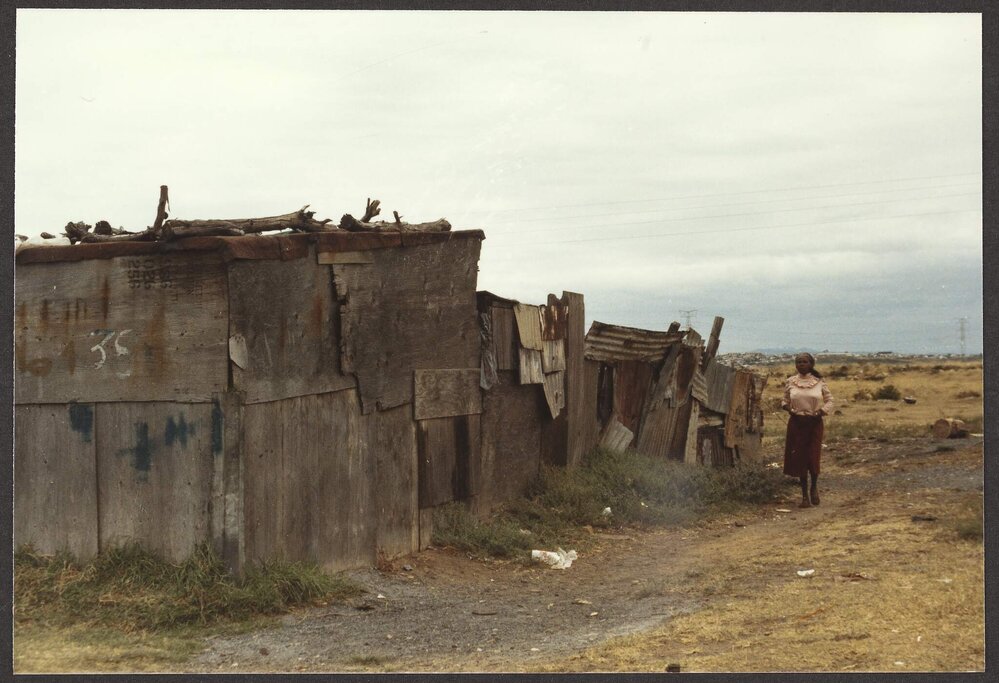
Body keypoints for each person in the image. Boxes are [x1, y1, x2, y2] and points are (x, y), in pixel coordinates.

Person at [781, 352, 833, 508]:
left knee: (813, 456)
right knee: (800, 458)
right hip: (797, 423)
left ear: (811, 364)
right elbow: (784, 400)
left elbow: (830, 401)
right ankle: (804, 496)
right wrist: (789, 409)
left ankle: (814, 487)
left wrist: (821, 412)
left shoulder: (819, 382)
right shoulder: (791, 381)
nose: (801, 364)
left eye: (804, 362)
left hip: (814, 423)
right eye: (798, 362)